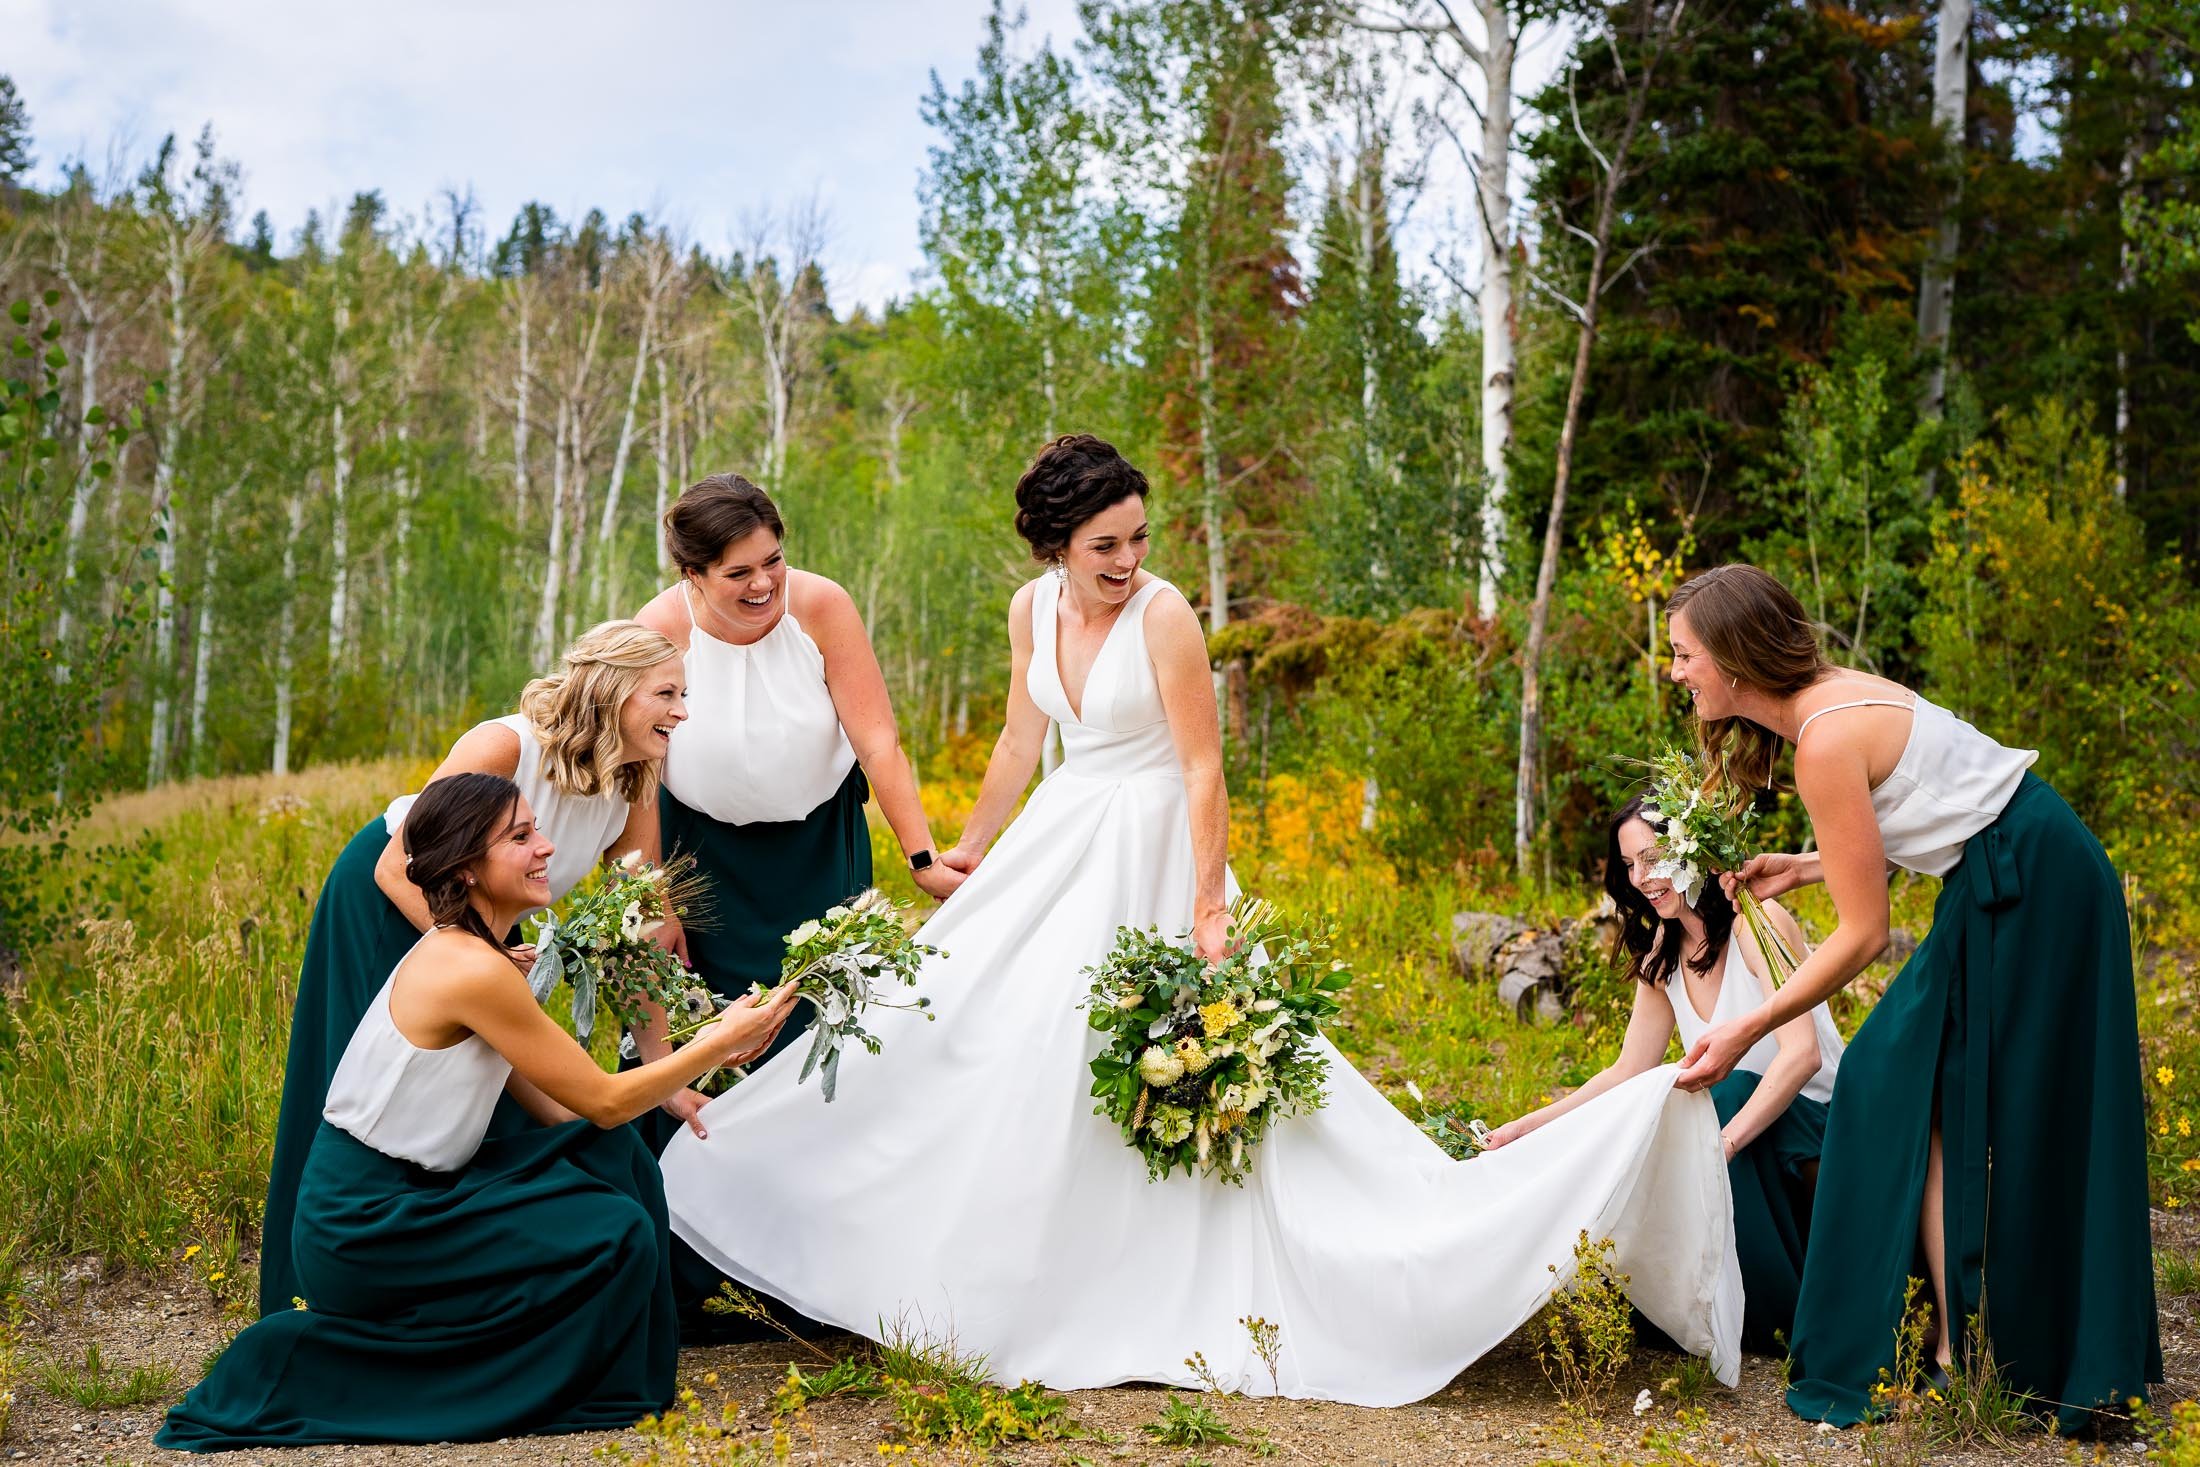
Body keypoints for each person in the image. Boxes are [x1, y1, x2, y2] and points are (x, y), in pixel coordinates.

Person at [656, 434, 1743, 1404]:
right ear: (1053, 548)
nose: (1126, 561)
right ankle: (969, 1260)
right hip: (1059, 839)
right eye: (1103, 546)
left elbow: (1202, 766)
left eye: (1135, 538)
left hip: (1152, 849)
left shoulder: (1166, 614)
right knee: (975, 1034)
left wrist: (1208, 905)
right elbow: (1017, 745)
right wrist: (963, 853)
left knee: (1127, 1054)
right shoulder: (1030, 610)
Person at [159, 774, 799, 1451]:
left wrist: (630, 1141)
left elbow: (564, 1108)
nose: (547, 847)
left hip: (404, 1197)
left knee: (613, 1169)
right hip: (363, 1223)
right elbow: (604, 1098)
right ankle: (416, 1371)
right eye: (520, 837)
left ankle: (570, 1351)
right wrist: (713, 1042)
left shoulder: (478, 957)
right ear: (466, 867)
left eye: (537, 830)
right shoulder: (471, 970)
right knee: (612, 1229)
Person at [1664, 563, 2161, 1430]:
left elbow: (1861, 935)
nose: (1676, 673)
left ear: (1735, 660)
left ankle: (2014, 1345)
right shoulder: (1825, 702)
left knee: (1908, 1079)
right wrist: (1813, 863)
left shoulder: (1822, 737)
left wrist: (1748, 1024)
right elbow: (1933, 803)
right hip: (2008, 868)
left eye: (1683, 655)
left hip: (2033, 882)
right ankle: (1958, 1339)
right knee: (1909, 1086)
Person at [258, 620, 689, 1317]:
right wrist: (479, 958)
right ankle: (317, 1293)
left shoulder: (637, 776)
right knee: (365, 1089)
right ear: (613, 691)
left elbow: (637, 924)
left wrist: (665, 1065)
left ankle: (457, 1283)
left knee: (490, 1096)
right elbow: (397, 864)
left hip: (486, 923)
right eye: (667, 692)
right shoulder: (506, 744)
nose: (683, 710)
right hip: (390, 905)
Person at [630, 473, 963, 1143]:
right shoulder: (657, 630)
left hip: (821, 852)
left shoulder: (821, 606)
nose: (763, 584)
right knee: (724, 1040)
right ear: (692, 574)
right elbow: (637, 776)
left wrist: (922, 858)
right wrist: (653, 898)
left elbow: (879, 742)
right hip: (705, 866)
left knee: (829, 1027)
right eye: (738, 572)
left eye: (773, 560)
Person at [1490, 796, 1843, 1352]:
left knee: (1715, 1094)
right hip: (1743, 1138)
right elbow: (1627, 1071)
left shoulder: (1757, 920)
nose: (1641, 878)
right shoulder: (1663, 950)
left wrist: (1718, 1146)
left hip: (1819, 1133)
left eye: (1653, 858)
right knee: (1658, 1104)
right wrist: (1526, 1129)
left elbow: (1802, 1056)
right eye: (1629, 865)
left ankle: (1778, 1307)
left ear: (1691, 855)